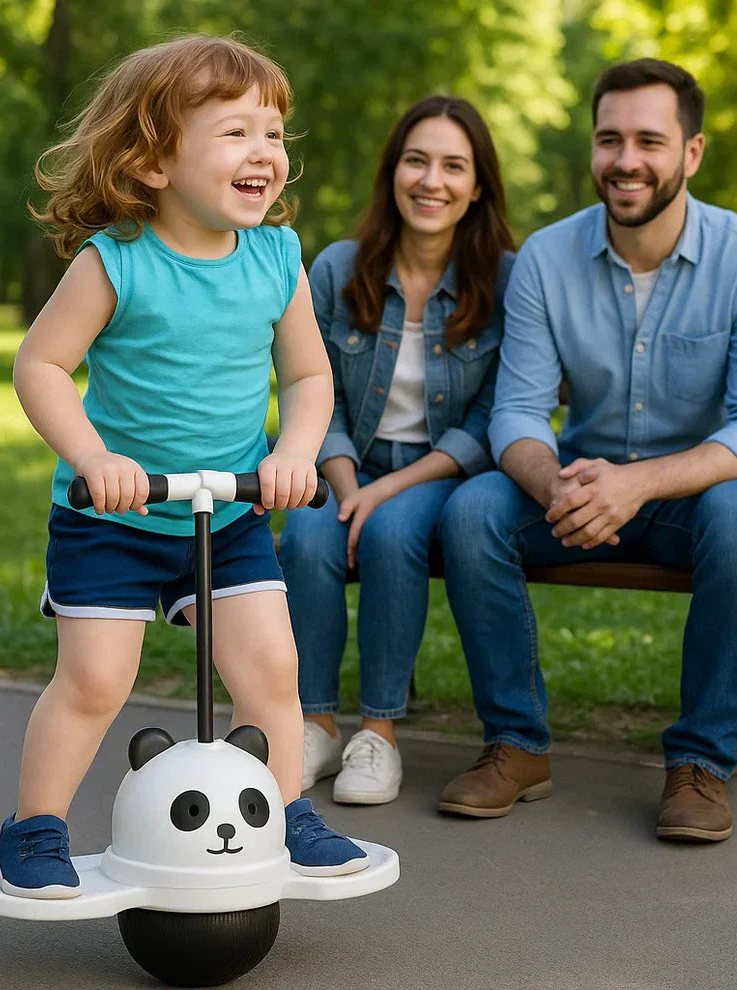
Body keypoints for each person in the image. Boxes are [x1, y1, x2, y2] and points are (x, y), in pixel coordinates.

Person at [0, 35, 369, 899]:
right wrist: (94, 457)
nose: (265, 153)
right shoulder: (116, 260)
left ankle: (285, 809)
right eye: (236, 133)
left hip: (230, 510)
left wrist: (295, 451)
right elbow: (39, 366)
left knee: (271, 667)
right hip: (114, 517)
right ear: (154, 161)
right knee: (94, 680)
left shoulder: (277, 257)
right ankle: (35, 827)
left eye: (274, 134)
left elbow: (310, 375)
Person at [437, 59, 737, 842]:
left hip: (697, 500)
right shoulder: (545, 258)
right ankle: (516, 746)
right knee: (472, 512)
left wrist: (635, 486)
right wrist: (561, 488)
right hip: (577, 489)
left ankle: (701, 765)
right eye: (610, 139)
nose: (626, 159)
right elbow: (518, 414)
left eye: (649, 140)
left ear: (692, 152)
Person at [279, 96, 516, 805]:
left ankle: (378, 736)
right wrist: (349, 481)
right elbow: (313, 389)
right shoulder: (339, 268)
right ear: (392, 173)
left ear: (478, 186)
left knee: (391, 535)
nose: (431, 180)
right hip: (340, 459)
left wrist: (384, 492)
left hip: (438, 468)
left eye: (453, 165)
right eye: (417, 160)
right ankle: (313, 725)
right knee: (310, 533)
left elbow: (487, 417)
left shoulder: (503, 279)